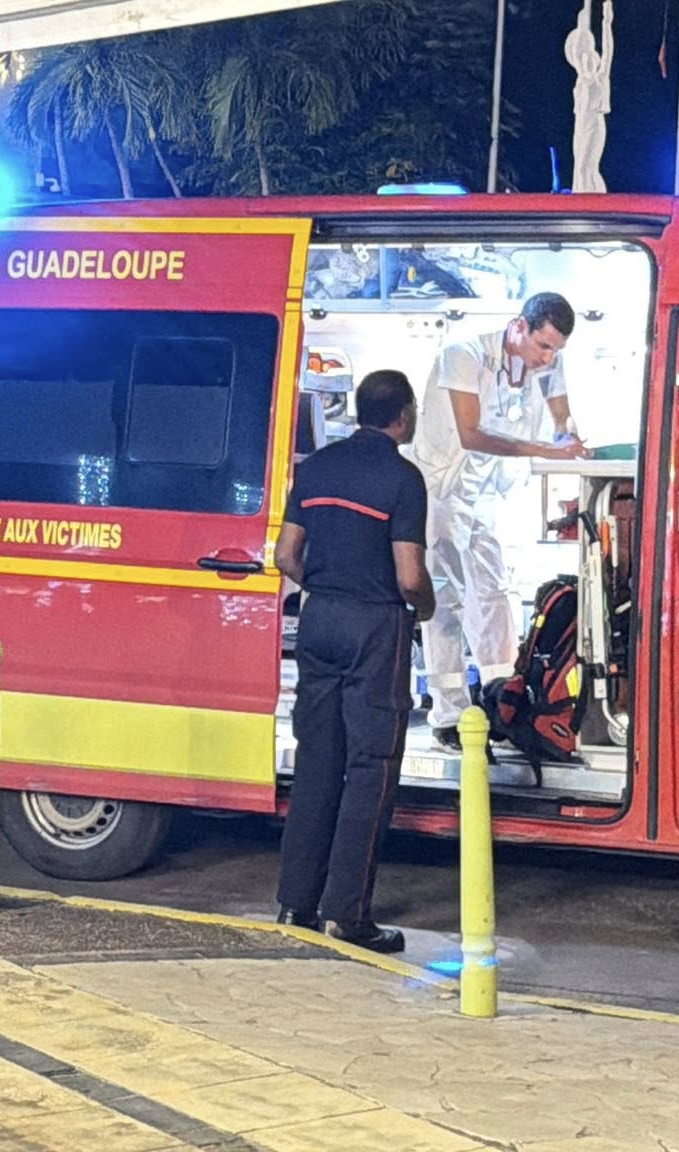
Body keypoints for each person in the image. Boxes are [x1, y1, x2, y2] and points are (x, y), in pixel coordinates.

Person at [274, 370, 436, 954]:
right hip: (375, 627)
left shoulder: (314, 470)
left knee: (318, 761)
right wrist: (428, 606)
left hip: (320, 620)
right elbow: (410, 575)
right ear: (403, 416)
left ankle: (296, 904)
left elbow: (285, 554)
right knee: (369, 767)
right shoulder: (402, 479)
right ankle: (348, 916)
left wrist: (325, 583)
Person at [413, 292, 587, 751]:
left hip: (486, 493)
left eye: (555, 350)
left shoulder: (547, 364)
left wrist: (568, 433)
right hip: (440, 491)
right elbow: (472, 434)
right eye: (543, 346)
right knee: (445, 600)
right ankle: (447, 713)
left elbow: (561, 414)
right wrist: (547, 449)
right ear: (518, 328)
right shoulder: (463, 356)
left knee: (494, 594)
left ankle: (502, 701)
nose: (547, 357)